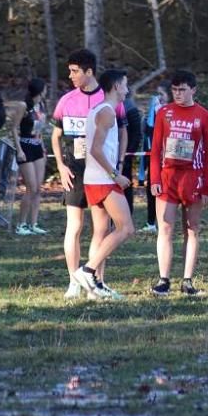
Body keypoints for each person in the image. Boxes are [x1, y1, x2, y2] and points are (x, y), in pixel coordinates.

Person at [51, 49, 127, 299]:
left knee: (101, 229)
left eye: (75, 71)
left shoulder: (108, 103)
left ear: (90, 72)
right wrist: (61, 166)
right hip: (77, 171)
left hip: (99, 171)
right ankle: (75, 280)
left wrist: (119, 162)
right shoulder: (66, 100)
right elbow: (56, 135)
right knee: (74, 226)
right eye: (70, 71)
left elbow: (122, 132)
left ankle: (96, 281)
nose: (70, 75)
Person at [149, 70, 208, 297]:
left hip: (193, 179)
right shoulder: (164, 113)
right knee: (165, 227)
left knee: (192, 229)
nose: (177, 94)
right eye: (174, 89)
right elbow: (156, 148)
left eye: (182, 89)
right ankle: (163, 279)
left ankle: (187, 280)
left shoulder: (204, 116)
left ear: (193, 90)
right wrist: (154, 178)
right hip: (168, 178)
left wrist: (207, 185)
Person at [71, 69, 135, 299]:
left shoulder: (101, 109)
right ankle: (87, 271)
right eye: (125, 84)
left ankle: (94, 286)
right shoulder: (107, 112)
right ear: (117, 86)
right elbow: (96, 149)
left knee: (101, 231)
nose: (127, 89)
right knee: (126, 228)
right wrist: (115, 174)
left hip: (95, 178)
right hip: (102, 180)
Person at [12, 78, 49, 235]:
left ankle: (33, 223)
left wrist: (42, 146)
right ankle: (21, 224)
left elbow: (40, 129)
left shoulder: (41, 106)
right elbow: (14, 128)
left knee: (37, 189)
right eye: (45, 88)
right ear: (40, 90)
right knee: (31, 187)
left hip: (37, 147)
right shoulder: (23, 106)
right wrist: (19, 150)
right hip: (25, 147)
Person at [138, 82, 170, 233]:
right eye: (157, 94)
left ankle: (166, 221)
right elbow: (147, 132)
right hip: (154, 157)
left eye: (161, 95)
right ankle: (151, 223)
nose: (157, 98)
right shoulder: (153, 112)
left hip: (169, 158)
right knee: (152, 188)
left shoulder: (169, 113)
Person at [122, 92, 143, 215]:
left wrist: (128, 154)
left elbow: (136, 134)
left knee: (125, 185)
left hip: (125, 154)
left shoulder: (130, 107)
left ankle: (127, 214)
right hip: (109, 155)